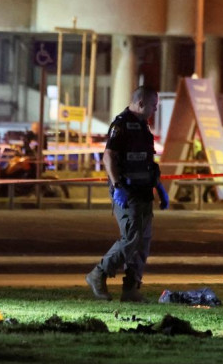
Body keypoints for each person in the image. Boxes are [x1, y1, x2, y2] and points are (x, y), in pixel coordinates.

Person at [85, 86, 169, 302]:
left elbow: (147, 162)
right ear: (141, 103)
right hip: (127, 192)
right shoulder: (121, 124)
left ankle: (131, 288)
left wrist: (159, 187)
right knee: (132, 237)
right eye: (154, 106)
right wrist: (118, 186)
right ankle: (99, 273)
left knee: (143, 242)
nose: (155, 110)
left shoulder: (143, 126)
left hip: (144, 192)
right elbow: (108, 157)